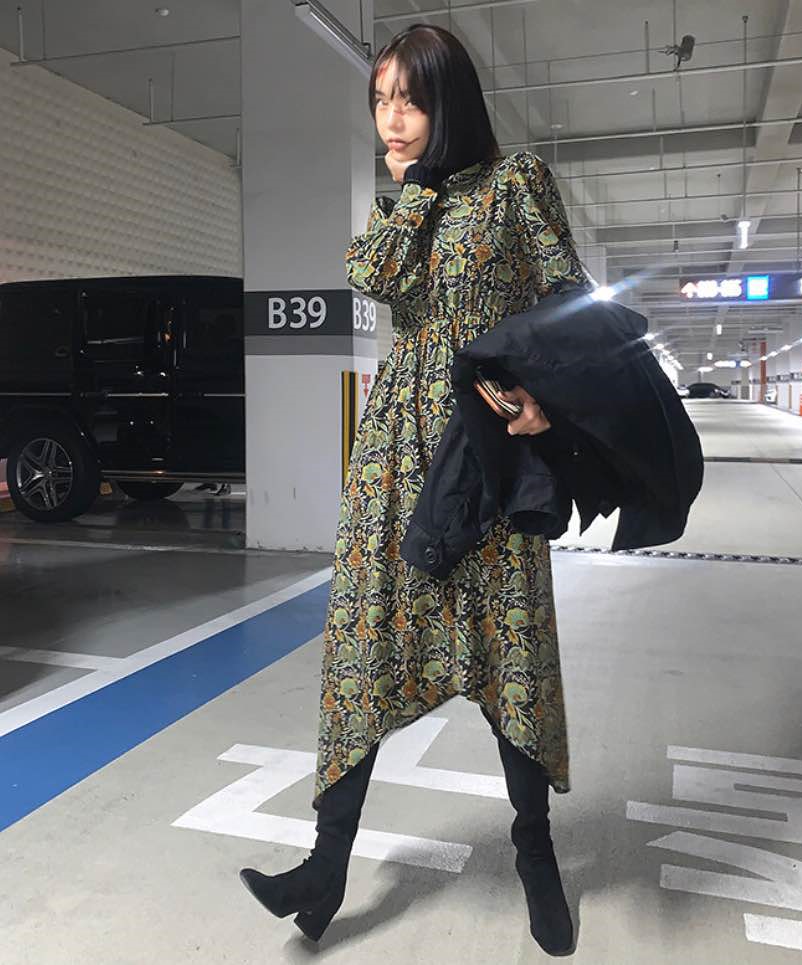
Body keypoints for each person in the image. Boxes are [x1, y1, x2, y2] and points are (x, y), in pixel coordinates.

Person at [239, 22, 589, 956]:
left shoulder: (516, 184)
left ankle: (535, 851)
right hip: (394, 451)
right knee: (361, 644)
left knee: (510, 648)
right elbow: (372, 276)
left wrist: (545, 402)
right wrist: (415, 190)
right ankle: (324, 867)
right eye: (380, 100)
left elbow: (569, 298)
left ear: (450, 98)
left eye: (410, 98)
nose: (391, 119)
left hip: (488, 448)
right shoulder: (405, 200)